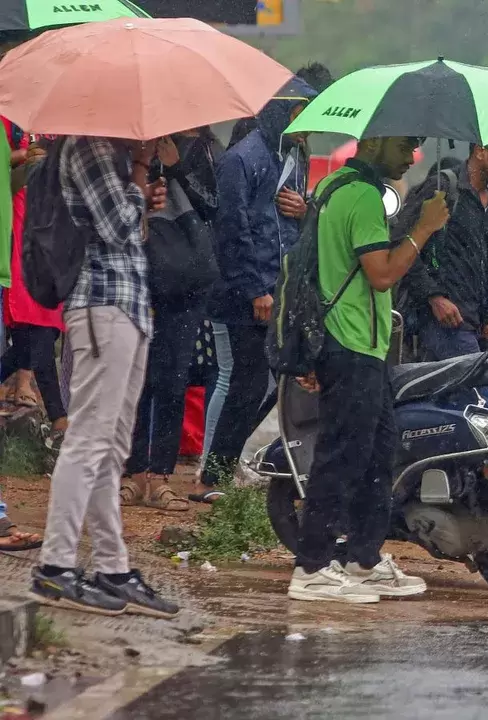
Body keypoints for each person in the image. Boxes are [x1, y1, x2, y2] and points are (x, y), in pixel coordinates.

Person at [289, 136, 449, 603]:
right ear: (375, 140)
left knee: (377, 454)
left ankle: (364, 558)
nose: (411, 156)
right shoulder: (358, 194)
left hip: (366, 343)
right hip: (350, 340)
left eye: (417, 146)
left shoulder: (342, 185)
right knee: (343, 456)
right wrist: (424, 228)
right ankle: (313, 566)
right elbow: (381, 273)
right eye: (404, 145)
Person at [31, 135, 178, 618]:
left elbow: (133, 235)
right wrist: (138, 173)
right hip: (101, 306)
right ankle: (55, 566)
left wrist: (143, 197)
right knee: (88, 442)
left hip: (127, 308)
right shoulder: (91, 148)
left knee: (112, 447)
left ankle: (113, 568)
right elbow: (116, 226)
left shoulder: (111, 156)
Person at [198, 79, 315, 500]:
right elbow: (233, 230)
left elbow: (285, 228)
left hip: (276, 288)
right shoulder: (242, 160)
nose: (310, 124)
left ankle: (224, 463)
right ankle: (214, 474)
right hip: (243, 294)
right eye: (303, 112)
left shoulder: (294, 158)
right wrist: (254, 290)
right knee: (245, 383)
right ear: (281, 112)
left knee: (273, 380)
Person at [122, 133, 220, 511]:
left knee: (173, 379)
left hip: (185, 279)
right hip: (138, 273)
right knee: (138, 378)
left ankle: (161, 476)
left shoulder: (203, 148)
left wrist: (177, 166)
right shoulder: (128, 146)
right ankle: (134, 473)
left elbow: (214, 206)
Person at [395, 140, 488, 360]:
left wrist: (484, 316)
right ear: (480, 151)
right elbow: (401, 242)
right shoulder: (442, 188)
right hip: (440, 322)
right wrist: (433, 296)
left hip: (475, 324)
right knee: (470, 392)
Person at [1, 117, 66, 446]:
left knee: (35, 338)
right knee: (36, 330)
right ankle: (60, 419)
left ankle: (59, 418)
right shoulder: (11, 118)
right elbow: (6, 170)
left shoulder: (63, 119)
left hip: (55, 237)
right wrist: (23, 158)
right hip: (23, 233)